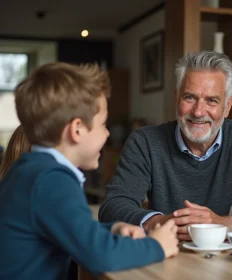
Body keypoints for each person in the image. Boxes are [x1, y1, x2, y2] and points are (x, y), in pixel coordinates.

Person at [0, 62, 179, 280]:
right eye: (103, 124)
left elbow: (72, 233)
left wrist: (112, 230)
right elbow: (98, 256)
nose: (106, 135)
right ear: (77, 129)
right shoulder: (52, 180)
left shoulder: (28, 170)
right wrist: (157, 246)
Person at [99, 51, 232, 239]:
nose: (198, 112)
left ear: (228, 106)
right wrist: (158, 222)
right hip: (167, 257)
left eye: (211, 100)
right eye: (189, 97)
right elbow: (113, 206)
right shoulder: (145, 142)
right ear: (176, 98)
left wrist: (220, 224)